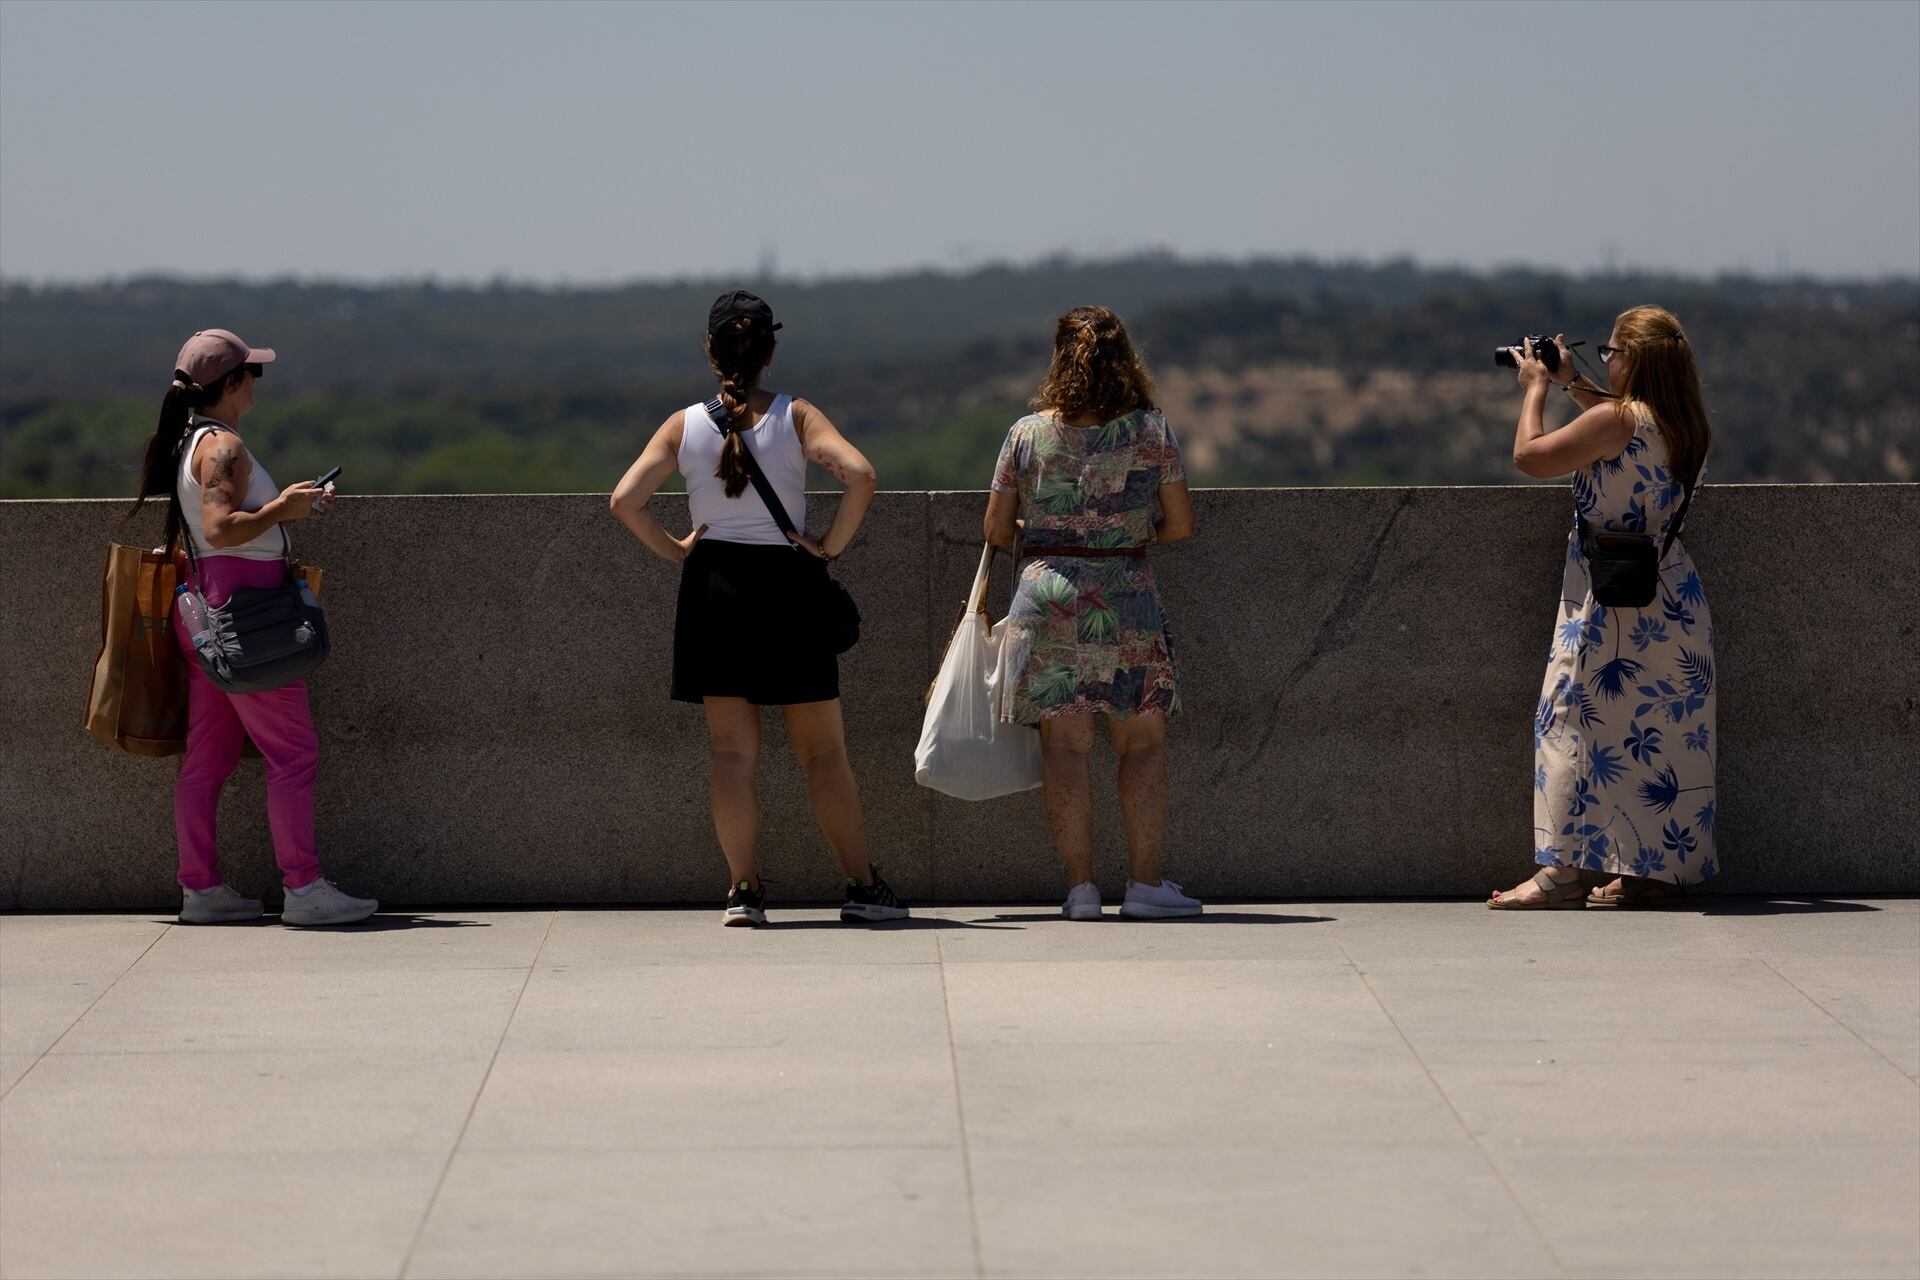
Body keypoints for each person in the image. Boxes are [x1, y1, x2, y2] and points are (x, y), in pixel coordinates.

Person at [610, 291, 907, 927]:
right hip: (788, 586)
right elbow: (860, 474)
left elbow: (625, 500)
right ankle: (861, 886)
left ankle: (743, 890)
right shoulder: (796, 416)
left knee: (731, 752)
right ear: (771, 352)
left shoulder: (682, 425)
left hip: (714, 588)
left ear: (710, 352)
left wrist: (677, 551)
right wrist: (828, 545)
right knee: (823, 754)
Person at [127, 329, 378, 926]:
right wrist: (284, 509)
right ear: (232, 384)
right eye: (251, 374)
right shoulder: (223, 449)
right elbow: (220, 527)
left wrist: (290, 507)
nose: (256, 383)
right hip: (249, 618)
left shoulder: (193, 442)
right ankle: (304, 889)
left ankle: (202, 890)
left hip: (207, 611)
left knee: (208, 757)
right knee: (292, 753)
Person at [1491, 306, 1718, 909]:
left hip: (1610, 607)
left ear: (1636, 360)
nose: (1606, 359)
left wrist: (1536, 388)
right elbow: (1616, 426)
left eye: (1613, 351)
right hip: (1671, 600)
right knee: (1665, 739)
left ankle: (1561, 874)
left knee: (1565, 721)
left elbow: (1530, 456)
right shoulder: (1684, 422)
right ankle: (1654, 872)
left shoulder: (1618, 420)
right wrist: (1573, 382)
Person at [983, 306, 1200, 920]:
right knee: (1141, 744)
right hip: (1125, 595)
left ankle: (1081, 890)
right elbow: (1181, 524)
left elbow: (996, 528)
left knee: (1066, 748)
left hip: (1047, 596)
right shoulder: (1150, 430)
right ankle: (1145, 885)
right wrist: (1118, 533)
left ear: (1059, 360)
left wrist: (1054, 530)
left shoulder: (1026, 434)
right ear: (1125, 359)